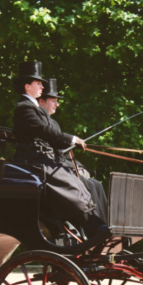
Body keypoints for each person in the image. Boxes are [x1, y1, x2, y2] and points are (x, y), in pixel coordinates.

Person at [12, 61, 108, 240]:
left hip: (43, 159)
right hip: (33, 161)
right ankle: (94, 229)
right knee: (72, 184)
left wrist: (70, 143)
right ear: (27, 86)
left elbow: (51, 136)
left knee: (78, 181)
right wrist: (71, 138)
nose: (42, 86)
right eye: (38, 83)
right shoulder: (24, 109)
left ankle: (97, 226)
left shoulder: (33, 108)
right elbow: (45, 132)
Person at [37, 78, 109, 224]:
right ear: (41, 101)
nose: (57, 104)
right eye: (53, 100)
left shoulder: (54, 123)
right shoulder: (38, 121)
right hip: (47, 166)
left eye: (57, 101)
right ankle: (95, 225)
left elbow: (59, 148)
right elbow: (52, 145)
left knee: (97, 184)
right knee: (88, 185)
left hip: (59, 163)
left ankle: (106, 223)